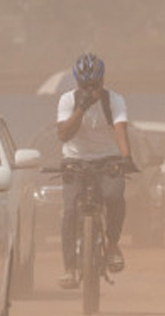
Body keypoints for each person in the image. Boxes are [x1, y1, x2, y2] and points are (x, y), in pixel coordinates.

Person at [56, 53, 137, 289]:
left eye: (95, 84)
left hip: (107, 160)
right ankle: (70, 268)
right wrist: (81, 108)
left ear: (102, 81)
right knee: (70, 210)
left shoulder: (114, 101)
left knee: (114, 196)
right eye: (85, 85)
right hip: (75, 160)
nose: (91, 89)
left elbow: (120, 130)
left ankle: (112, 245)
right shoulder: (67, 101)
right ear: (77, 83)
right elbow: (63, 135)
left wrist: (126, 158)